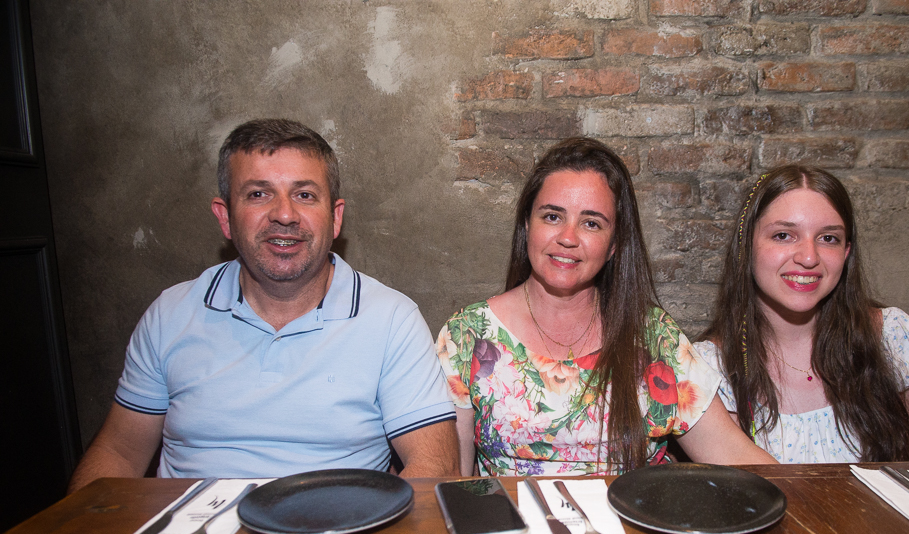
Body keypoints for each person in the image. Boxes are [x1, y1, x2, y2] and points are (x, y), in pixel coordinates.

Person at [68, 119, 459, 493]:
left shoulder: (390, 318)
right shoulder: (170, 314)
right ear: (225, 218)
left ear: (335, 218)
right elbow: (118, 452)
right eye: (258, 194)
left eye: (305, 195)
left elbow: (436, 467)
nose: (284, 215)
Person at [437, 137, 776, 476]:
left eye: (591, 223)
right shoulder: (467, 335)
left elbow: (731, 452)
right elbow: (456, 480)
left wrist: (810, 501)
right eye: (553, 216)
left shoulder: (655, 336)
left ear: (614, 244)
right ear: (527, 226)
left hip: (634, 525)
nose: (568, 237)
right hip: (516, 525)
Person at [696, 165, 909, 463]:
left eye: (828, 238)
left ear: (846, 252)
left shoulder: (891, 336)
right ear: (746, 248)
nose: (808, 257)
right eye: (783, 235)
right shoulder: (711, 369)